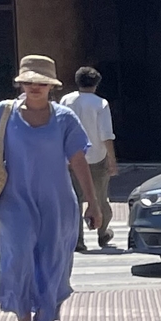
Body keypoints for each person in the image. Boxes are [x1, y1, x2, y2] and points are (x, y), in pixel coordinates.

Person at [0, 54, 95, 321]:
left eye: (41, 82)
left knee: (53, 262)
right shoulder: (4, 112)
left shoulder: (65, 118)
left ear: (50, 86)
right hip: (15, 201)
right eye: (29, 81)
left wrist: (93, 202)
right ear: (21, 83)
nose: (34, 86)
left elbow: (78, 161)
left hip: (57, 203)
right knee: (17, 258)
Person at [59, 65, 117, 252]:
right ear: (96, 84)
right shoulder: (101, 103)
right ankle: (102, 232)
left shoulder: (66, 100)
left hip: (71, 157)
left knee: (74, 199)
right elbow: (106, 134)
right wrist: (112, 159)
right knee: (100, 197)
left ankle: (78, 239)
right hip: (96, 157)